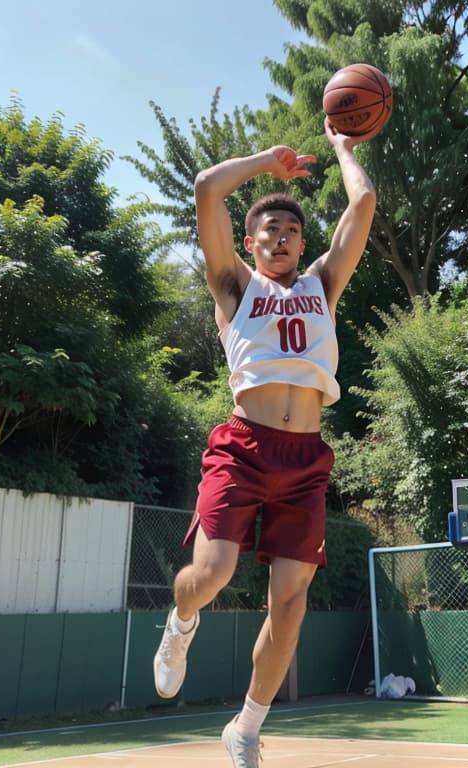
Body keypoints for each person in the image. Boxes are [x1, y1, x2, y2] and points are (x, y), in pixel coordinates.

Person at [153, 117, 376, 768]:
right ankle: (181, 623)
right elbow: (204, 188)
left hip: (305, 462)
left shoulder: (321, 288)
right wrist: (265, 162)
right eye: (268, 230)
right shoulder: (235, 288)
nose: (280, 236)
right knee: (213, 573)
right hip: (243, 447)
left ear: (303, 243)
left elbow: (361, 204)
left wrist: (341, 148)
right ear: (249, 243)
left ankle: (246, 728)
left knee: (291, 601)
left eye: (291, 229)